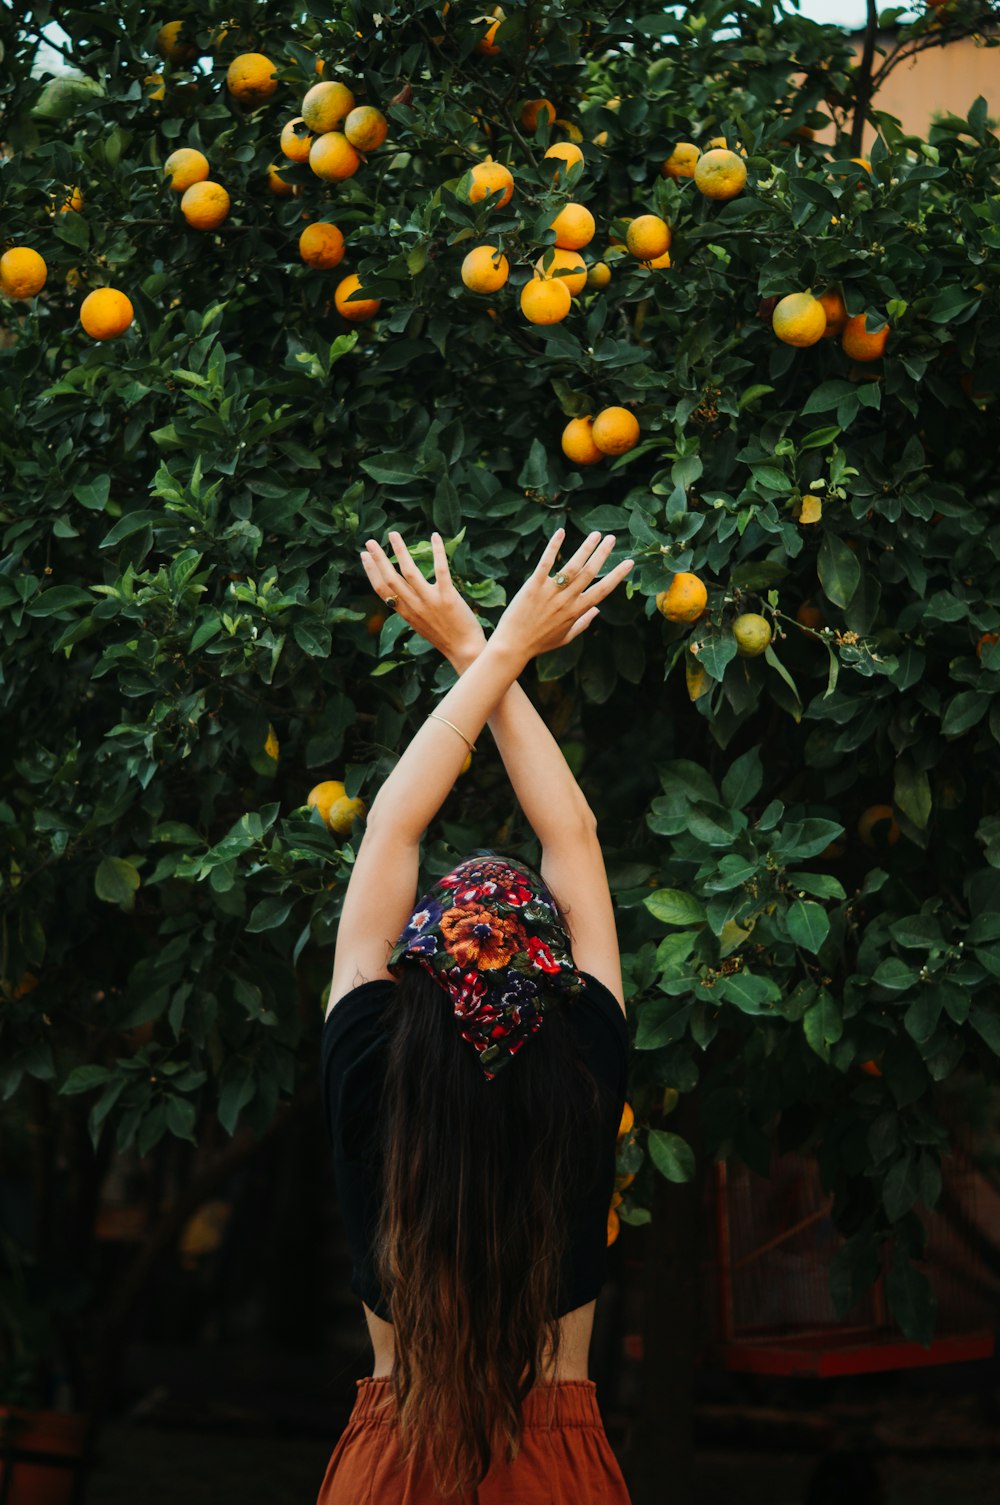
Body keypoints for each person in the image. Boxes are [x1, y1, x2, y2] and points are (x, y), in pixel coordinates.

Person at [316, 527, 635, 1503]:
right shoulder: (581, 1058)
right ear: (547, 978)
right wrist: (485, 651)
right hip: (555, 1469)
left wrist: (487, 653)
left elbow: (390, 824)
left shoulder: (372, 1056)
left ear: (415, 974)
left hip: (392, 1463)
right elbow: (570, 833)